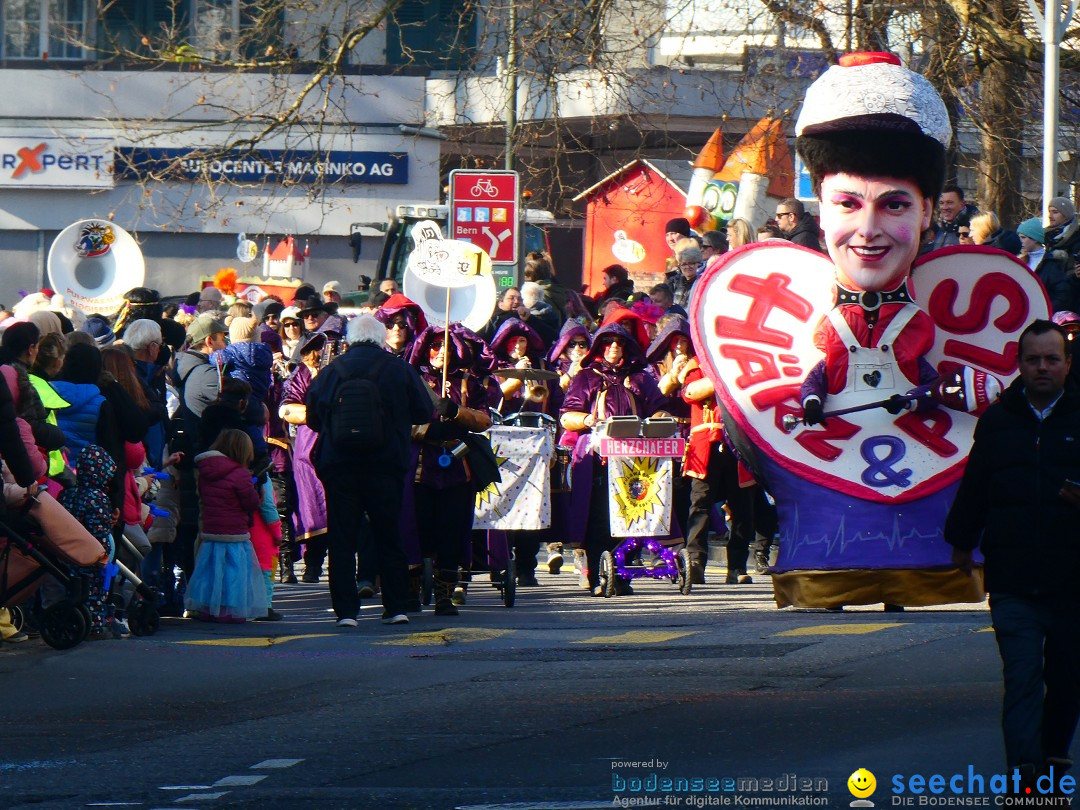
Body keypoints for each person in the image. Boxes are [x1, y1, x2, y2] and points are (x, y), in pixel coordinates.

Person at [945, 319, 1080, 787]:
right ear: (1019, 365)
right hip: (1013, 579)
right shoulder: (999, 421)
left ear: (1067, 363)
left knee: (1067, 683)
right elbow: (975, 486)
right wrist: (961, 541)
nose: (1042, 368)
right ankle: (1026, 781)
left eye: (1051, 359)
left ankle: (1053, 761)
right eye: (1032, 360)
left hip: (1072, 580)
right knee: (1021, 680)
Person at [305, 314, 434, 626]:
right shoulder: (399, 369)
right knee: (388, 535)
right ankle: (396, 607)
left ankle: (346, 611)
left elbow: (312, 418)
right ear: (380, 337)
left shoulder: (331, 371)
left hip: (340, 465)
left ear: (351, 338)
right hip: (386, 465)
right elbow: (424, 411)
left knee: (343, 538)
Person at [560, 323, 669, 596]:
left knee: (629, 515)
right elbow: (567, 415)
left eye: (619, 343)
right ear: (600, 347)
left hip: (635, 461)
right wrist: (588, 419)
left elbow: (658, 410)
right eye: (608, 343)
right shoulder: (587, 377)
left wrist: (658, 420)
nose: (614, 348)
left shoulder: (641, 378)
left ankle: (621, 575)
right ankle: (597, 575)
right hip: (598, 457)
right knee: (599, 516)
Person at [408, 324, 494, 616]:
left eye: (446, 346)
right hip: (420, 465)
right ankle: (415, 587)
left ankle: (445, 594)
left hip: (458, 465)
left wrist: (457, 412)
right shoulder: (411, 381)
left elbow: (485, 420)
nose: (440, 351)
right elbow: (394, 419)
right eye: (434, 345)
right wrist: (424, 429)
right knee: (418, 527)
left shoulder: (469, 383)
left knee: (453, 531)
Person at [185, 429, 267, 622]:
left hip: (211, 529)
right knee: (233, 574)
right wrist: (259, 495)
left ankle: (206, 608)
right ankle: (230, 610)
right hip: (234, 532)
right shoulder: (240, 474)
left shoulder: (205, 470)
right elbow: (250, 502)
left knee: (210, 573)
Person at [927, 185, 977, 250]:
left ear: (962, 205)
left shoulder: (975, 230)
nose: (945, 207)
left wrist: (974, 247)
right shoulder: (941, 228)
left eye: (949, 203)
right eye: (941, 203)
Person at [667, 239, 703, 310]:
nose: (687, 267)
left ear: (697, 263)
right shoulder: (674, 282)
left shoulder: (701, 283)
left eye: (691, 263)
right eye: (684, 264)